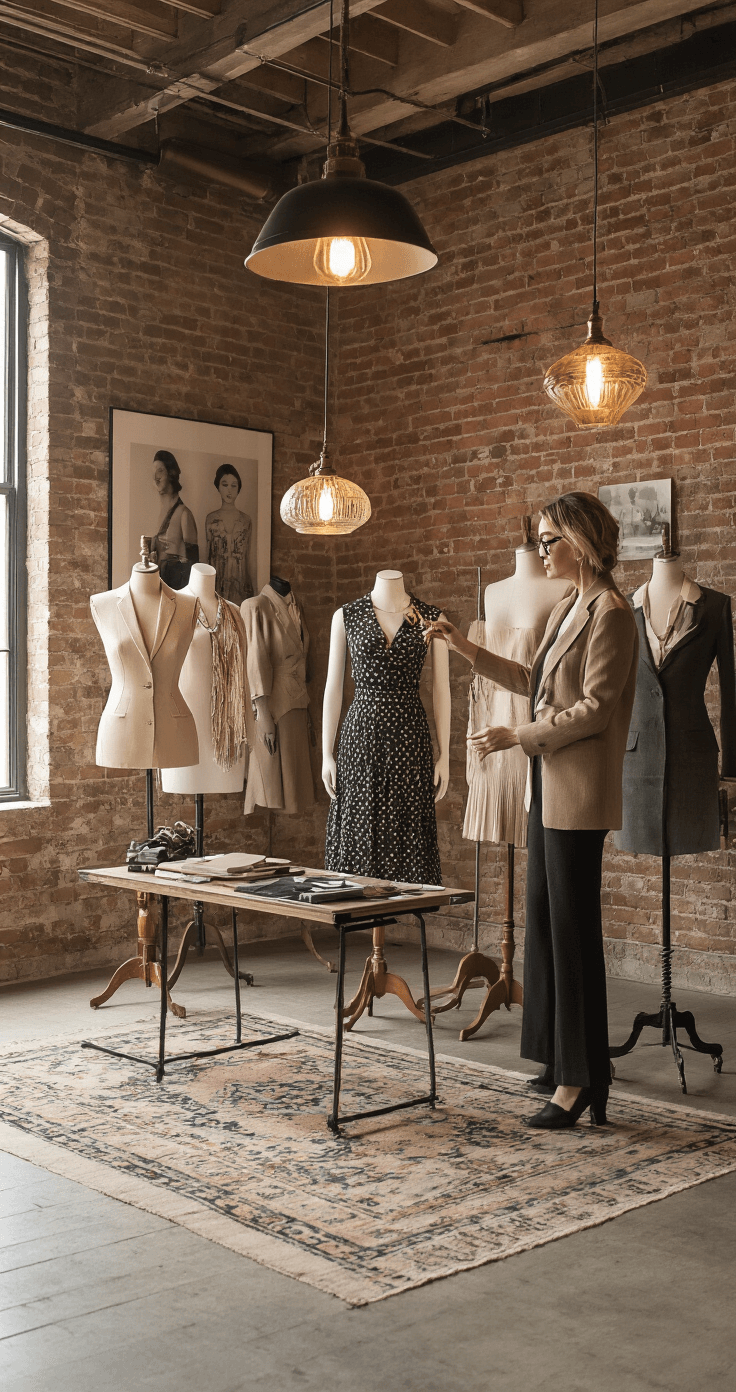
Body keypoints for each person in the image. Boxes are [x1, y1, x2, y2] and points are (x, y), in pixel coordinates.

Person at [424, 492, 638, 1129]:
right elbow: (532, 680)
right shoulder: (570, 603)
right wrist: (463, 647)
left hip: (578, 792)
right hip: (550, 785)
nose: (539, 550)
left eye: (548, 540)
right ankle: (561, 1061)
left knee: (572, 938)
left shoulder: (613, 613)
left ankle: (580, 1082)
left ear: (580, 541)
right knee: (546, 927)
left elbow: (596, 709)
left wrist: (517, 737)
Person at [149, 450, 198, 590]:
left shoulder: (184, 514)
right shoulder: (158, 514)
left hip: (177, 590)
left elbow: (193, 564)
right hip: (159, 586)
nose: (156, 477)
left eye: (160, 471)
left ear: (171, 473)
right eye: (154, 473)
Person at [206, 463, 253, 605]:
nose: (229, 490)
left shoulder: (246, 520)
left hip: (240, 586)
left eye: (234, 485)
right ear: (218, 487)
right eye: (225, 484)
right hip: (217, 586)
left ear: (239, 488)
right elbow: (207, 556)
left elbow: (248, 557)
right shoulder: (211, 519)